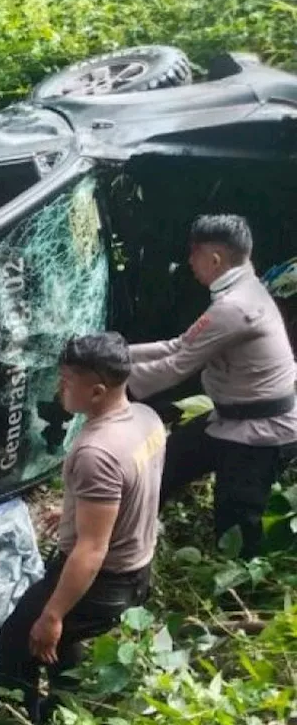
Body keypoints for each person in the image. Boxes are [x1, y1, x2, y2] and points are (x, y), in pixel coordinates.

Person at [0, 333, 164, 721]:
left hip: (104, 580)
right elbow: (137, 489)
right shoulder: (146, 418)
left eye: (68, 380)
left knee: (18, 640)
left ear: (96, 391)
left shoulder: (97, 453)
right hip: (138, 569)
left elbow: (91, 550)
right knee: (59, 641)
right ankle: (63, 710)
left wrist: (51, 616)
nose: (60, 388)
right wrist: (74, 510)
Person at [127, 215, 297, 558]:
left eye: (194, 253)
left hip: (260, 431)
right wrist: (118, 354)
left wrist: (117, 386)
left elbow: (178, 364)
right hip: (229, 417)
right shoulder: (243, 290)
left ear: (215, 259)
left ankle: (235, 601)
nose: (189, 262)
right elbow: (181, 345)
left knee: (235, 527)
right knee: (164, 467)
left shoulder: (236, 306)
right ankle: (132, 539)